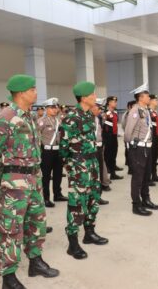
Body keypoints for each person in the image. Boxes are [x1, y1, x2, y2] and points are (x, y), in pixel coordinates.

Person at [0, 74, 59, 289]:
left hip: (33, 179)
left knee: (36, 222)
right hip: (14, 183)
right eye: (32, 90)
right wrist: (1, 180)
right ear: (20, 93)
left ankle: (35, 262)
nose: (35, 93)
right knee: (11, 228)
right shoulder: (5, 117)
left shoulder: (28, 116)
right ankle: (8, 277)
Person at [60, 81, 108, 261]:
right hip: (78, 166)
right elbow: (63, 146)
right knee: (77, 203)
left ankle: (89, 233)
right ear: (83, 97)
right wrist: (71, 164)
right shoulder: (71, 117)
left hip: (92, 163)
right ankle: (72, 243)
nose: (95, 97)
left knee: (93, 199)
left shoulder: (89, 115)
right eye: (92, 94)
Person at [124, 83, 158, 216]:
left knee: (146, 176)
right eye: (146, 96)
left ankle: (146, 200)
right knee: (138, 178)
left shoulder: (145, 110)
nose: (149, 98)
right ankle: (136, 205)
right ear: (140, 97)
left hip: (147, 147)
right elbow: (128, 131)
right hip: (138, 148)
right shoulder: (135, 111)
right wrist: (130, 147)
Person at [37, 97, 68, 208]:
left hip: (57, 151)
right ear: (46, 109)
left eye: (56, 107)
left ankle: (57, 194)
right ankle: (46, 198)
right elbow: (36, 137)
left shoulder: (58, 120)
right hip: (47, 152)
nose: (55, 109)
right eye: (52, 107)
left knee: (58, 174)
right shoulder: (41, 121)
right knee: (46, 176)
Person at [91, 98, 110, 205]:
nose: (100, 110)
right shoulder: (88, 119)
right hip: (92, 149)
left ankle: (98, 196)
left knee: (100, 173)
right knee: (94, 174)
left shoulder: (97, 118)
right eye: (98, 108)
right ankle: (93, 197)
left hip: (99, 148)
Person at [103, 96, 123, 180]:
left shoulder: (114, 113)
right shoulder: (106, 113)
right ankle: (106, 176)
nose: (115, 103)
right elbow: (103, 126)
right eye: (114, 102)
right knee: (107, 155)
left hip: (114, 136)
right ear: (109, 103)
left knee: (113, 154)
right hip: (108, 137)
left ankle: (113, 173)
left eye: (116, 102)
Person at [121, 100, 136, 175]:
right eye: (134, 106)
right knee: (130, 153)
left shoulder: (130, 113)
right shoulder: (128, 114)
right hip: (129, 136)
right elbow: (124, 125)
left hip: (132, 136)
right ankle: (131, 169)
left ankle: (132, 167)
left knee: (131, 152)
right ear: (130, 107)